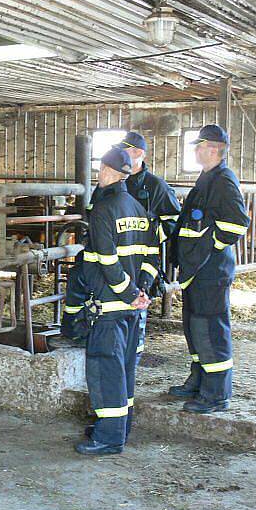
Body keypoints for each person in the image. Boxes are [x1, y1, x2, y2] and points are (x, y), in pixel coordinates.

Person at [63, 147, 158, 456]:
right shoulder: (138, 209)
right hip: (134, 310)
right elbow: (152, 257)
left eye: (101, 170)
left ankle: (108, 437)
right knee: (126, 369)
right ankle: (121, 426)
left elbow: (107, 260)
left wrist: (129, 294)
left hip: (111, 306)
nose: (98, 175)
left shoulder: (104, 210)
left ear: (112, 173)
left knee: (106, 371)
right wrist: (142, 291)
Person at [168, 125, 250, 413]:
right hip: (196, 270)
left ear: (213, 148)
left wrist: (207, 246)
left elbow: (237, 224)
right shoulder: (208, 178)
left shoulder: (223, 181)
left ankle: (216, 394)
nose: (195, 150)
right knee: (195, 326)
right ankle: (199, 380)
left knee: (211, 329)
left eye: (199, 146)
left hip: (210, 270)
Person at [113, 132, 181, 366]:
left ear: (139, 153)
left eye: (126, 151)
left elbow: (173, 221)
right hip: (115, 256)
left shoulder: (156, 186)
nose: (121, 156)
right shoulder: (116, 180)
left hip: (142, 258)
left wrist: (149, 237)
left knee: (137, 303)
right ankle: (117, 354)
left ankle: (133, 357)